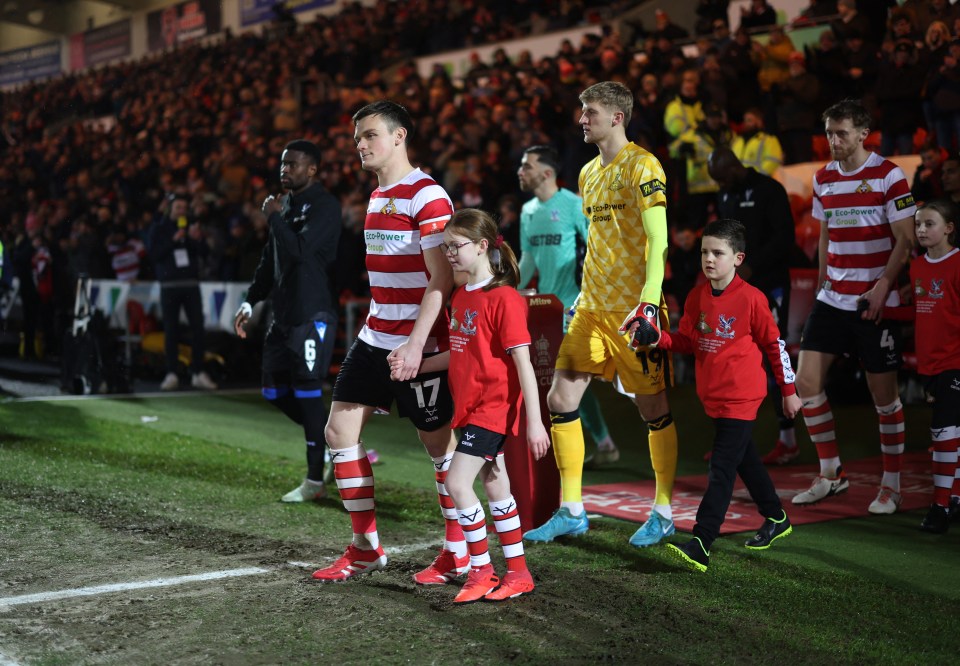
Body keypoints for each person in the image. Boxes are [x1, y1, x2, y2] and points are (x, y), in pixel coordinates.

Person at [311, 101, 467, 584]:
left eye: (371, 134)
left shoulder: (429, 196)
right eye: (358, 136)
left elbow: (441, 281)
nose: (361, 144)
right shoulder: (379, 196)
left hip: (420, 340)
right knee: (339, 434)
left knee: (439, 447)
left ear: (400, 136)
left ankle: (458, 551)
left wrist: (418, 346)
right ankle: (365, 548)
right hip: (375, 335)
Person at [522, 81, 679, 549]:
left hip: (634, 310)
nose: (581, 118)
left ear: (616, 117)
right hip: (590, 307)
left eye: (589, 111)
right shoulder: (588, 174)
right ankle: (572, 510)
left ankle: (664, 510)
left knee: (653, 409)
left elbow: (659, 240)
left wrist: (649, 300)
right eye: (581, 111)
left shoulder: (644, 165)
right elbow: (598, 244)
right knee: (561, 399)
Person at [390, 208, 549, 602]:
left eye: (456, 246)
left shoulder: (506, 298)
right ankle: (518, 572)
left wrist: (535, 423)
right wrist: (418, 364)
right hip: (470, 408)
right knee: (496, 484)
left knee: (457, 482)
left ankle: (481, 571)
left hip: (491, 409)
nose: (449, 254)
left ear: (482, 247)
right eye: (445, 248)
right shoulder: (461, 296)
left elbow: (524, 364)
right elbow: (461, 353)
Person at [791, 99, 917, 514]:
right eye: (829, 132)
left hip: (874, 300)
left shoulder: (889, 175)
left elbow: (905, 239)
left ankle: (892, 485)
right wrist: (825, 279)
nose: (834, 140)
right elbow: (826, 233)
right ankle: (831, 474)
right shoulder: (823, 177)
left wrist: (883, 286)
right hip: (833, 298)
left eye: (841, 133)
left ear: (864, 134)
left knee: (884, 399)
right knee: (806, 384)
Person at [661, 219, 801, 572]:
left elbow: (775, 346)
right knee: (745, 461)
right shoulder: (696, 296)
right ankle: (776, 517)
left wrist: (788, 392)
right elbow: (688, 342)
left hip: (743, 397)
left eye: (718, 253)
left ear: (738, 258)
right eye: (705, 251)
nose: (709, 259)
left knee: (721, 468)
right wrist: (658, 339)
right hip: (713, 398)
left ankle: (702, 542)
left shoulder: (753, 299)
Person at [234, 139, 342, 503]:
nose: (284, 170)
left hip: (312, 315)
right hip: (282, 316)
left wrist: (275, 217)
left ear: (311, 169)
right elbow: (271, 260)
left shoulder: (325, 206)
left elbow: (298, 253)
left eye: (292, 164)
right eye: (282, 164)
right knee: (273, 391)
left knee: (308, 394)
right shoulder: (287, 205)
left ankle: (315, 481)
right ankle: (333, 442)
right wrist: (250, 302)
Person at [516, 144, 620, 466]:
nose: (521, 171)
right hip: (545, 308)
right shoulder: (528, 211)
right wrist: (507, 291)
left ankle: (569, 449)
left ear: (547, 173)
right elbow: (529, 259)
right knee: (561, 381)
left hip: (575, 309)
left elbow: (597, 251)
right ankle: (600, 443)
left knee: (561, 379)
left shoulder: (575, 206)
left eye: (527, 166)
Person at [707, 147, 798, 464]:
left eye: (721, 179)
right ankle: (731, 442)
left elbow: (786, 238)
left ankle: (788, 440)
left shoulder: (769, 190)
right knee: (728, 361)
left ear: (733, 168)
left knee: (774, 358)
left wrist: (752, 266)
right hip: (736, 291)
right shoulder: (726, 195)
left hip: (770, 287)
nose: (719, 186)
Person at [909, 199, 960, 533]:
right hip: (930, 363)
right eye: (918, 225)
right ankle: (954, 498)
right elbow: (922, 312)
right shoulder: (917, 267)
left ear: (949, 228)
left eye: (929, 224)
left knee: (944, 432)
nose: (922, 230)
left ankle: (940, 506)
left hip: (954, 362)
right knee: (952, 434)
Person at [146, 193, 218, 391]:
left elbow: (204, 253)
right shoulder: (160, 228)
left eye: (184, 208)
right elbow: (154, 254)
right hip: (169, 286)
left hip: (191, 285)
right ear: (170, 208)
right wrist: (172, 240)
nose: (181, 212)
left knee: (198, 329)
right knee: (171, 330)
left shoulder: (190, 227)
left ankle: (197, 371)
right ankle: (171, 373)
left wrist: (198, 240)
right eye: (178, 207)